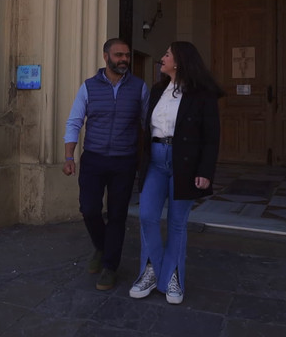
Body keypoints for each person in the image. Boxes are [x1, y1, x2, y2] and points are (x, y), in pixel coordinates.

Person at [128, 41, 222, 304]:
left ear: (179, 61)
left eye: (166, 55)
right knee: (146, 215)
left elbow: (211, 138)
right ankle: (152, 271)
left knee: (177, 224)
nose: (161, 58)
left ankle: (173, 277)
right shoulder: (157, 91)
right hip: (156, 163)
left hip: (185, 165)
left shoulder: (203, 95)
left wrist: (205, 171)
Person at [63, 38, 149, 290]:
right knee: (89, 209)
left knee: (117, 215)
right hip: (93, 158)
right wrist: (69, 157)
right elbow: (74, 122)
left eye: (127, 55)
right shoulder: (89, 87)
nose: (124, 59)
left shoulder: (139, 87)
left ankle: (110, 265)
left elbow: (147, 123)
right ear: (106, 57)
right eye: (119, 55)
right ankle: (101, 247)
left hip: (124, 160)